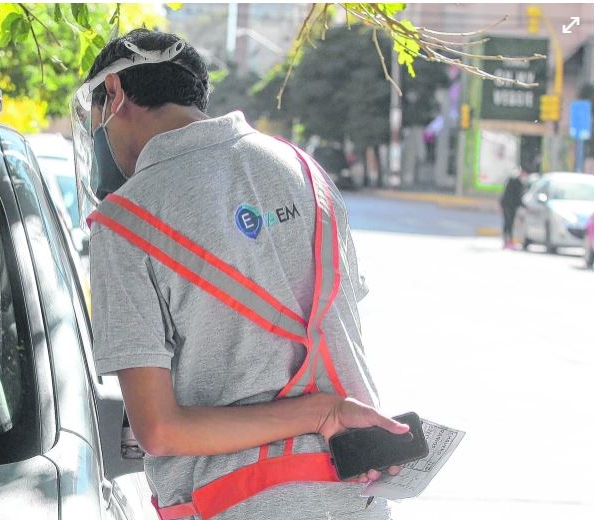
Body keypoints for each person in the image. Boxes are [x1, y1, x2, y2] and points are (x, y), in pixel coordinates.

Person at [73, 29, 409, 520]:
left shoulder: (123, 220)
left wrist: (319, 412)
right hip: (355, 499)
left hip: (232, 505)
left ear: (117, 93)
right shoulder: (306, 172)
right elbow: (337, 331)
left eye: (97, 112)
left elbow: (160, 430)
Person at [500, 168, 527, 249]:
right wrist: (524, 206)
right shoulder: (517, 182)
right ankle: (509, 241)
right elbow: (518, 197)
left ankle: (506, 241)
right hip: (510, 206)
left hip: (506, 205)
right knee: (509, 223)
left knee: (507, 223)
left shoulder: (511, 180)